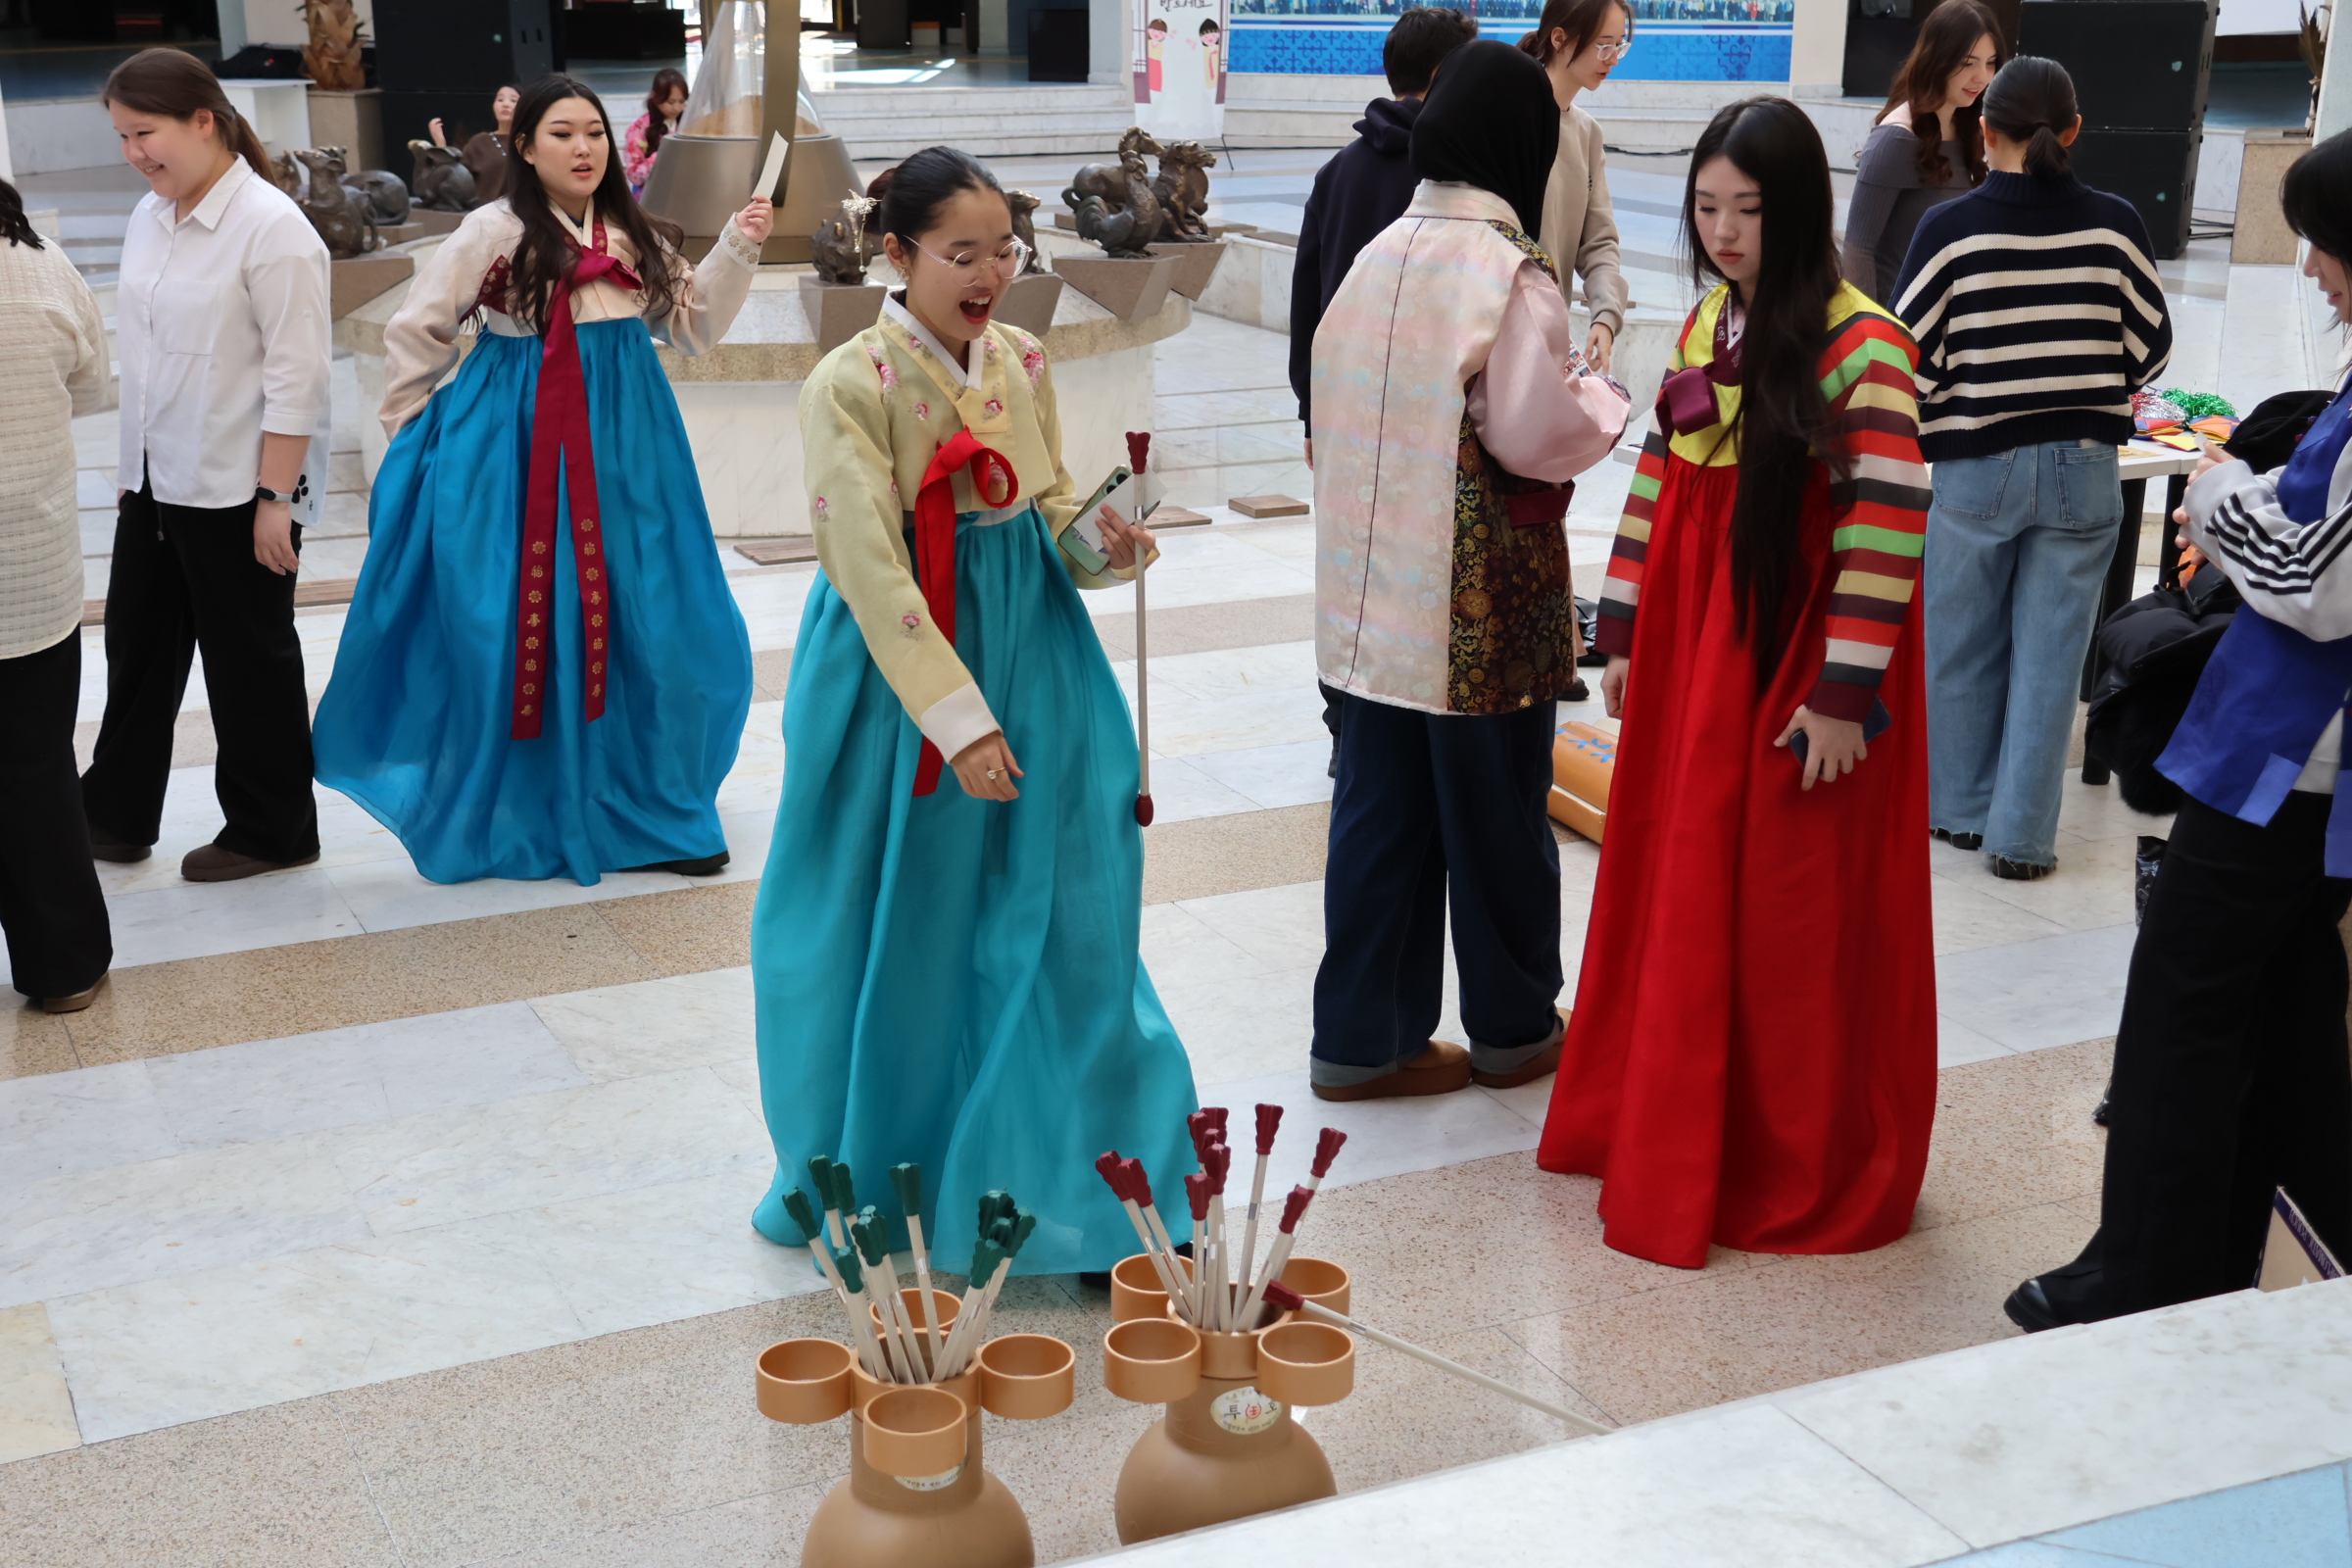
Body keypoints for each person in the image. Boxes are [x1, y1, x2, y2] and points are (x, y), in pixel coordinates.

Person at [747, 147, 1200, 1275]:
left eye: (1006, 248)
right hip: (901, 672)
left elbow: (1044, 499)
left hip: (1031, 643)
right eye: (962, 252)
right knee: (892, 910)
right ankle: (891, 1158)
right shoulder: (848, 383)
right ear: (896, 255)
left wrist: (1104, 539)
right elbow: (866, 562)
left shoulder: (1023, 358)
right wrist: (958, 720)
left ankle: (1078, 1166)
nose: (991, 271)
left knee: (1063, 903)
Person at [1538, 97, 1936, 1269]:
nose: (1722, 230)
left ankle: (1783, 1155)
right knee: (1677, 878)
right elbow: (1661, 478)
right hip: (1696, 654)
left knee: (1788, 910)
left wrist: (1843, 693)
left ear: (1798, 206)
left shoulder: (1866, 345)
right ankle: (1668, 1123)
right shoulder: (1711, 321)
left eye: (1748, 210)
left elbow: (1891, 524)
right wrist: (1620, 631)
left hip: (1797, 658)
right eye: (1708, 207)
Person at [2005, 130, 2352, 1332]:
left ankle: (2146, 1268)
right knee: (2286, 1019)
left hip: (2288, 763)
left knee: (2184, 1014)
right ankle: (2217, 1257)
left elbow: (2317, 581)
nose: (2310, 267)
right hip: (2294, 763)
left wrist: (2218, 491)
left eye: (2327, 242)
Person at [313, 76, 768, 884]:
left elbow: (691, 329)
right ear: (524, 146)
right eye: (562, 133)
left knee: (659, 611)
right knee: (524, 615)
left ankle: (656, 798)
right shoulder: (490, 230)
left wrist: (738, 245)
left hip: (630, 442)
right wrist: (416, 438)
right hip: (517, 440)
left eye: (594, 131)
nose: (584, 147)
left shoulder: (631, 231)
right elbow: (418, 331)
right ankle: (532, 800)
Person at [1306, 41, 1630, 1102]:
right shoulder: (1507, 273)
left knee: (1378, 815)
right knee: (1496, 813)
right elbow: (1534, 432)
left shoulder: (1377, 255)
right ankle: (1512, 1026)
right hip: (1471, 605)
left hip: (1367, 606)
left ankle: (1362, 1038)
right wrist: (1603, 401)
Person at [1894, 57, 2172, 878]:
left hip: (1977, 466)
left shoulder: (1950, 229)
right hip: (2085, 468)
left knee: (1959, 644)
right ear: (2075, 131)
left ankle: (1959, 814)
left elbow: (1909, 360)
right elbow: (2150, 349)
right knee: (2054, 659)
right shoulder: (2116, 225)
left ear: (1986, 130)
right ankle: (2023, 839)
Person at [84, 48, 331, 882]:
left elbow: (300, 378)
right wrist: (130, 470)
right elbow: (149, 355)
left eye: (145, 133)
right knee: (137, 649)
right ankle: (114, 815)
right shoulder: (150, 217)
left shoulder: (272, 228)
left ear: (205, 121)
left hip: (239, 486)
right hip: (155, 482)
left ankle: (274, 829)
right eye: (121, 137)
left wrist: (276, 498)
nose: (135, 154)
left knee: (248, 659)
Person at [1291, 5, 1480, 770]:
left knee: (1347, 557)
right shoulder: (1452, 179)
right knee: (1413, 565)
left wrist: (1310, 409)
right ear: (1443, 79)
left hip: (1343, 411)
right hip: (1426, 415)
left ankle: (1347, 713)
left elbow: (1307, 301)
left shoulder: (1337, 171)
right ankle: (1396, 724)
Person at [0, 175, 112, 1011]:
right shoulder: (39, 265)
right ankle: (65, 967)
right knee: (36, 767)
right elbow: (89, 387)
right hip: (31, 573)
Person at [1839, 0, 1999, 302]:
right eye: (1968, 62)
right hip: (1897, 329)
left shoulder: (1969, 128)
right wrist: (1869, 336)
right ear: (1937, 59)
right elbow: (1858, 250)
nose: (1982, 76)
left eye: (1990, 62)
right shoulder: (1896, 138)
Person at [1519, 0, 1631, 375]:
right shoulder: (1512, 117)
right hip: (1495, 333)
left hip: (1548, 340)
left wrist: (1605, 315)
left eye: (1620, 44)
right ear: (1559, 38)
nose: (1613, 58)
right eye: (1604, 45)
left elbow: (1599, 240)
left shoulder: (1587, 133)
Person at [430, 84, 520, 209]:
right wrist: (441, 144)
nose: (505, 104)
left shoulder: (531, 142)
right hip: (485, 215)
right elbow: (456, 177)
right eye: (500, 100)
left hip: (524, 215)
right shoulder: (480, 142)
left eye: (513, 100)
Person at [623, 67, 688, 198]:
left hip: (683, 194)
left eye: (682, 102)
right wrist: (659, 157)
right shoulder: (638, 129)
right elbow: (633, 175)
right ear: (655, 97)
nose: (677, 107)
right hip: (650, 198)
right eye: (671, 102)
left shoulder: (688, 124)